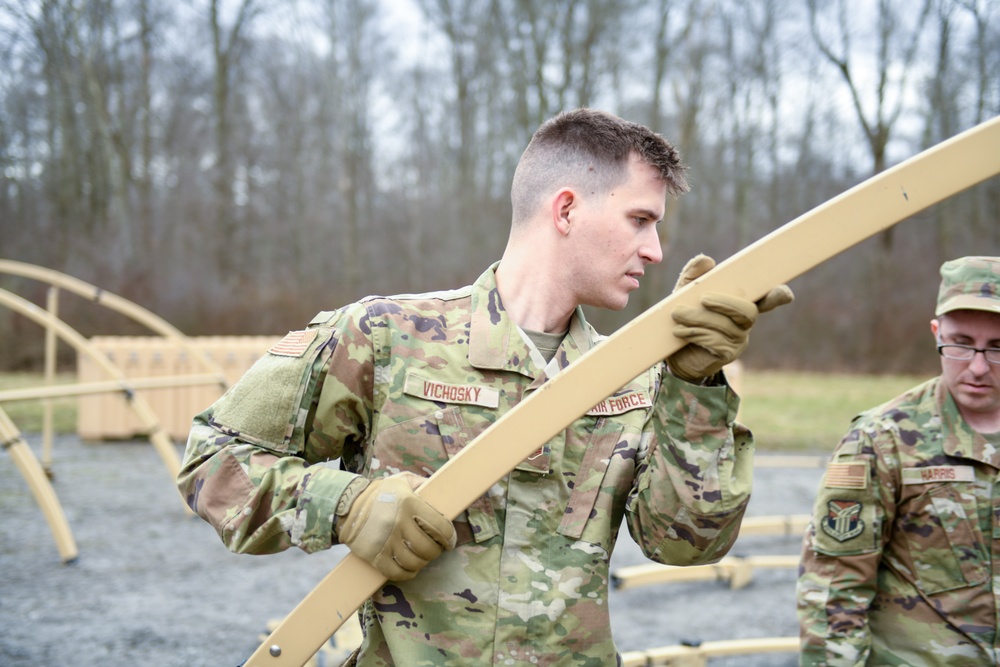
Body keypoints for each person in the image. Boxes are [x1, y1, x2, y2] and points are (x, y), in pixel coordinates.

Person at [178, 108, 793, 666]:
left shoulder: (634, 377)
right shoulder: (386, 336)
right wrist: (343, 505)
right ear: (567, 209)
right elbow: (212, 460)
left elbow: (688, 545)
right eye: (640, 219)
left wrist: (696, 386)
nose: (656, 250)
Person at [797, 256, 1000, 666]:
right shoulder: (882, 438)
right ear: (936, 332)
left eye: (998, 348)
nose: (977, 367)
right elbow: (834, 595)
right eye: (960, 343)